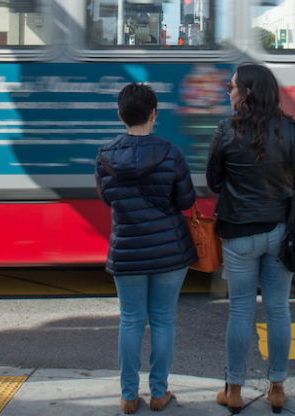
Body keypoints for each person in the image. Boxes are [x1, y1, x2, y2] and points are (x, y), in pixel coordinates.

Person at [206, 63, 295, 414]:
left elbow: (215, 182)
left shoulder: (225, 130)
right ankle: (276, 388)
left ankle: (233, 390)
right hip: (282, 232)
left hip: (239, 234)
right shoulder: (292, 129)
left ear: (246, 92)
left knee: (241, 310)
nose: (226, 92)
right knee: (278, 309)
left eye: (230, 87)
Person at [95, 82, 198, 414]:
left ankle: (128, 396)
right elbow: (185, 201)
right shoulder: (171, 153)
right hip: (170, 250)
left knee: (131, 321)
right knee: (164, 320)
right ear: (154, 114)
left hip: (127, 249)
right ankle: (158, 393)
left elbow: (108, 198)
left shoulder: (105, 156)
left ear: (121, 115)